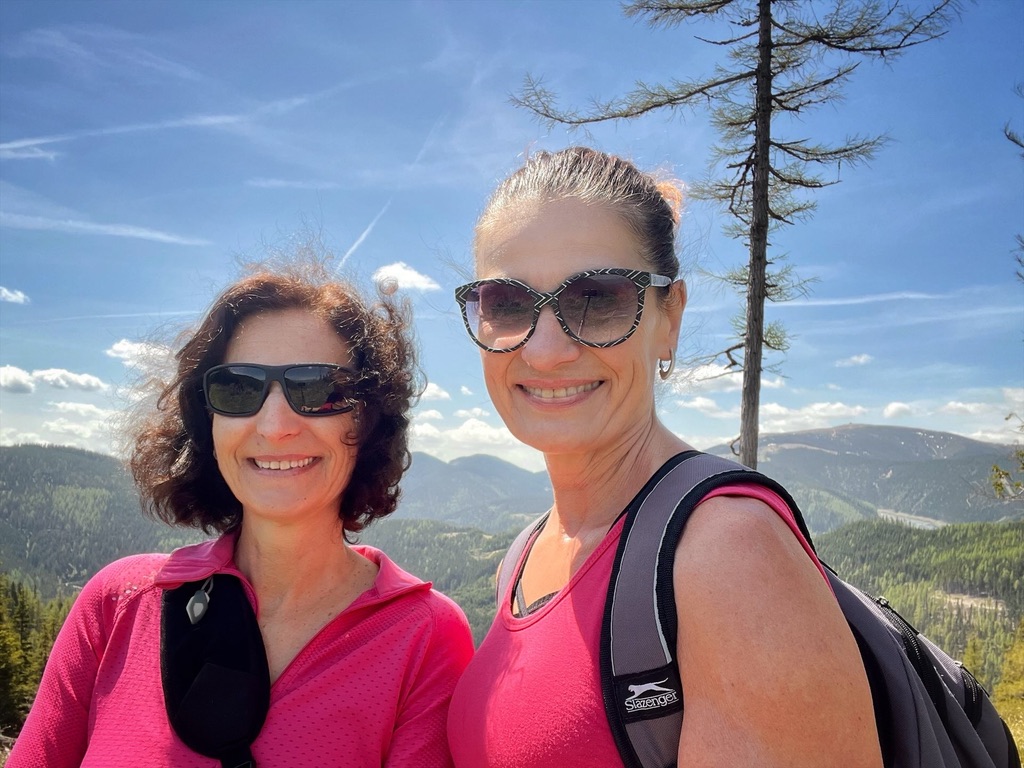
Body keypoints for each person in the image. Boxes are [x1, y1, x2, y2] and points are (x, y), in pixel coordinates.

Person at [446, 147, 882, 767]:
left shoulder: (727, 554)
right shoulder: (525, 556)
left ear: (669, 316)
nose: (544, 351)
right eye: (507, 304)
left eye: (597, 299)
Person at [10, 260, 474, 768]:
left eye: (319, 389)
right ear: (207, 421)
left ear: (368, 419)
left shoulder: (421, 636)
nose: (275, 425)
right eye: (238, 388)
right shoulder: (119, 605)